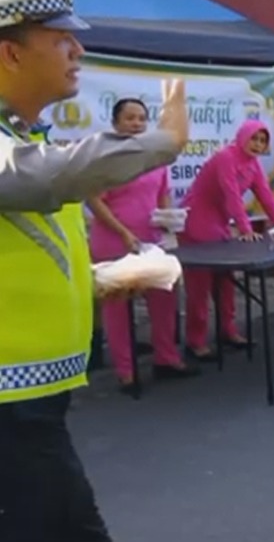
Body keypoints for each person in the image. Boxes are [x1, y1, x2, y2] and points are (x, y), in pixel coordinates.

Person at [0, 0, 190, 542]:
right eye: (61, 39)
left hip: (30, 404)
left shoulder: (20, 136)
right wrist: (163, 140)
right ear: (10, 54)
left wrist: (100, 279)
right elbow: (50, 178)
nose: (77, 49)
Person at [88, 98, 199, 392]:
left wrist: (167, 219)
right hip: (115, 240)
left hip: (151, 240)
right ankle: (126, 372)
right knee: (118, 307)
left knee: (164, 296)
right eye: (129, 118)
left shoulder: (154, 158)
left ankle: (167, 359)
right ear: (115, 124)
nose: (136, 123)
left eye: (141, 118)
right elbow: (93, 199)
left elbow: (162, 193)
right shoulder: (106, 159)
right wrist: (123, 232)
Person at [179, 119, 274, 361]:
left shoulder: (253, 165)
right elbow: (231, 195)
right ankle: (195, 341)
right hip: (197, 220)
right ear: (242, 137)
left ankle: (228, 331)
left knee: (226, 281)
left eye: (262, 141)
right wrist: (245, 229)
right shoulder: (225, 158)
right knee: (200, 284)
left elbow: (265, 195)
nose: (258, 145)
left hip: (219, 222)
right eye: (254, 139)